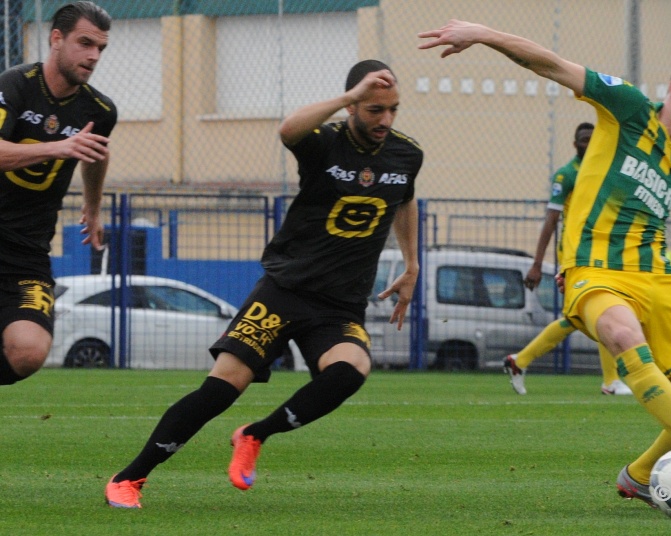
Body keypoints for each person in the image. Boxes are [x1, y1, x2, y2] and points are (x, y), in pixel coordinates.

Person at [419, 20, 671, 506]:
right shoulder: (626, 108)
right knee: (625, 336)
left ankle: (639, 476)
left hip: (660, 282)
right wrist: (483, 34)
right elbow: (551, 64)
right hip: (595, 273)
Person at [104, 59, 424, 508]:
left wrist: (411, 264)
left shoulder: (407, 153)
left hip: (338, 306)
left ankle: (255, 434)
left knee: (350, 372)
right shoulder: (323, 141)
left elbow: (405, 199)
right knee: (220, 389)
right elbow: (288, 130)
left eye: (393, 109)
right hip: (285, 290)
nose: (385, 120)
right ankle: (129, 478)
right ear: (353, 106)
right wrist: (350, 98)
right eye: (374, 109)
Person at [0, 1, 115, 386]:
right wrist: (57, 147)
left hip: (25, 252)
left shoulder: (99, 109)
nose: (93, 55)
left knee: (28, 351)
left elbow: (95, 154)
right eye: (85, 43)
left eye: (100, 48)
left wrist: (93, 207)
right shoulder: (14, 85)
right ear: (56, 39)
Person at [503, 122, 632, 396]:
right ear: (575, 144)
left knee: (587, 316)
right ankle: (611, 381)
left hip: (599, 255)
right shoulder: (566, 175)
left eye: (592, 139)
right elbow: (551, 220)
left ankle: (520, 361)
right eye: (583, 140)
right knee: (598, 314)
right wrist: (537, 264)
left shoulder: (603, 171)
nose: (588, 144)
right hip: (575, 257)